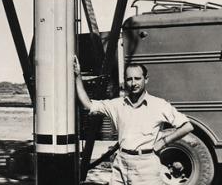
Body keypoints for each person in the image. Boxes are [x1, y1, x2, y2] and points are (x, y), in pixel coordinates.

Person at [74, 56, 194, 185]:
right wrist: (78, 76)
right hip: (121, 163)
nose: (134, 83)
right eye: (129, 79)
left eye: (137, 78)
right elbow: (88, 104)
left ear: (146, 80)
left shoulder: (159, 105)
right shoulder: (117, 105)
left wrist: (164, 142)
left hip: (146, 166)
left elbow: (187, 126)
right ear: (125, 81)